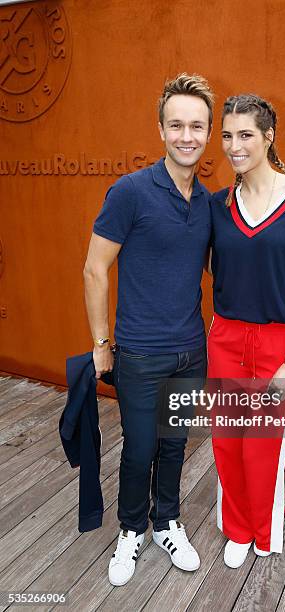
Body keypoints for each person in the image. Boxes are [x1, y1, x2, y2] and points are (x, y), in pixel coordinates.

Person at [83, 73, 214, 586]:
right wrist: (101, 344)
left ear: (207, 133)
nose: (188, 135)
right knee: (140, 447)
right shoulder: (130, 192)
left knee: (175, 443)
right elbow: (95, 269)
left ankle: (167, 522)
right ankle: (131, 530)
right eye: (177, 124)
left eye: (197, 126)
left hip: (191, 352)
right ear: (160, 130)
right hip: (138, 354)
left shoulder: (208, 202)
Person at [207, 94, 285, 568]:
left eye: (245, 135)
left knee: (263, 445)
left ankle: (263, 530)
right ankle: (237, 529)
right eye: (227, 136)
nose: (234, 146)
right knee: (228, 439)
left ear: (268, 136)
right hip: (226, 338)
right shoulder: (218, 205)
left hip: (280, 341)